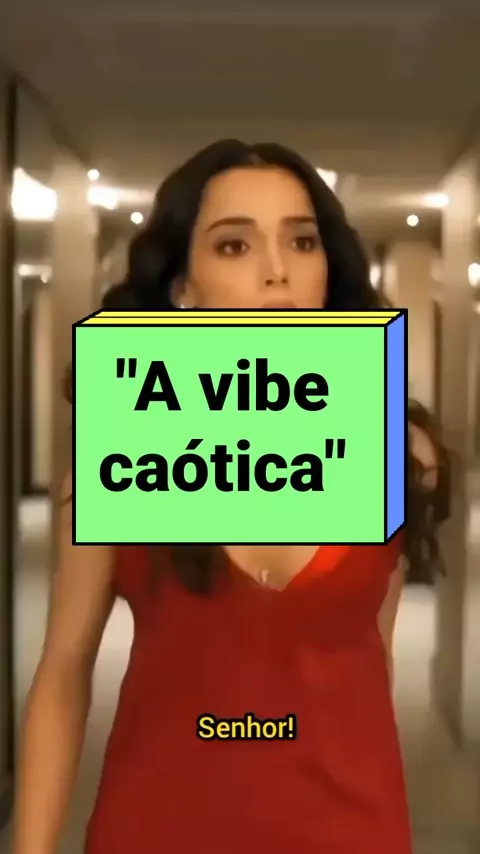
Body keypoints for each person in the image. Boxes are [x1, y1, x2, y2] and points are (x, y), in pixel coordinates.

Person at [13, 139, 445, 854]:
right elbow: (63, 672)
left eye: (302, 241)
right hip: (155, 828)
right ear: (185, 288)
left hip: (351, 829)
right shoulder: (117, 459)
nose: (278, 270)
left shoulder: (399, 451)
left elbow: (372, 656)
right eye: (235, 245)